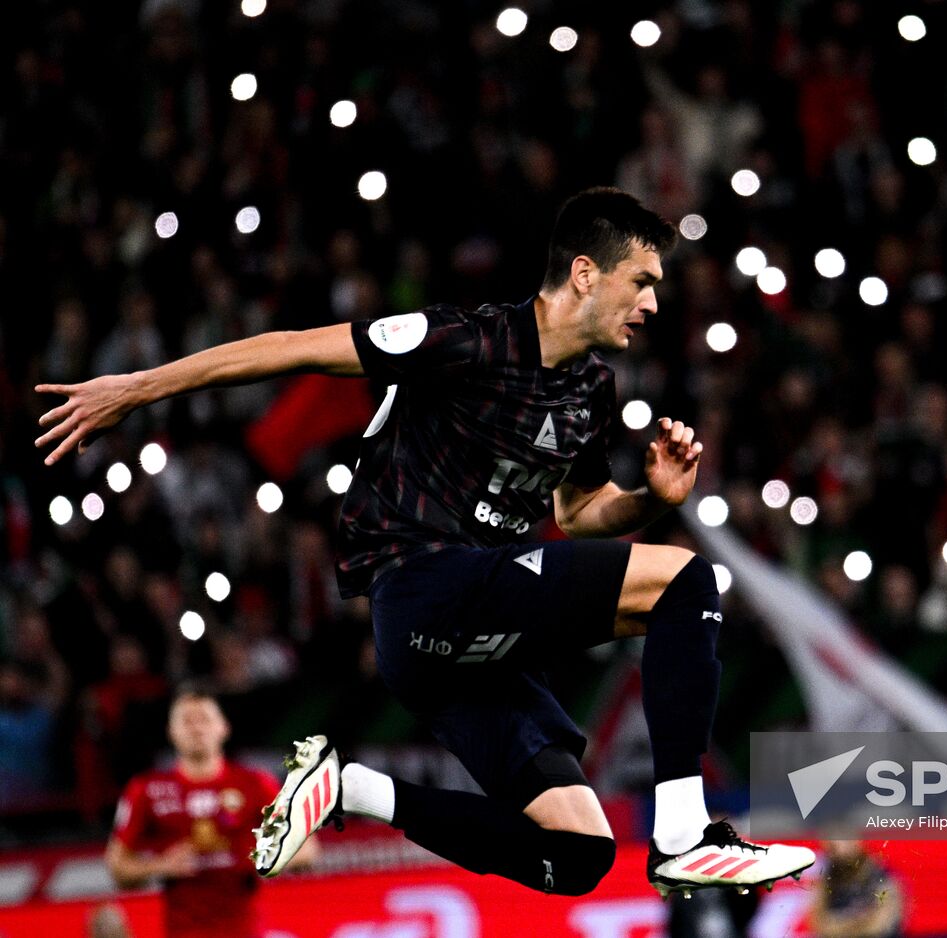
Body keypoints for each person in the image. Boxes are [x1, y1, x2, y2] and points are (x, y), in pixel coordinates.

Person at [44, 187, 813, 898]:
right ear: (585, 272)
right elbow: (294, 347)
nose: (651, 301)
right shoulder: (467, 339)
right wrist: (135, 388)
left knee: (578, 856)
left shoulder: (590, 390)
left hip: (459, 647)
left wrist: (651, 500)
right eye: (641, 280)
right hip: (424, 586)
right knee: (687, 585)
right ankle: (685, 832)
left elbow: (579, 514)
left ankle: (348, 789)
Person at [105, 684, 317, 938]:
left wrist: (257, 857)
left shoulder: (255, 783)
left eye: (204, 719)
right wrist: (160, 866)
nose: (196, 728)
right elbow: (116, 865)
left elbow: (307, 850)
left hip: (245, 930)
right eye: (186, 721)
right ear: (171, 732)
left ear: (223, 727)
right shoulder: (147, 790)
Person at [808, 841, 905, 938]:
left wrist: (841, 926)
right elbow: (817, 921)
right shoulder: (828, 878)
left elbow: (880, 923)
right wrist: (857, 923)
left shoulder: (881, 876)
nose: (836, 849)